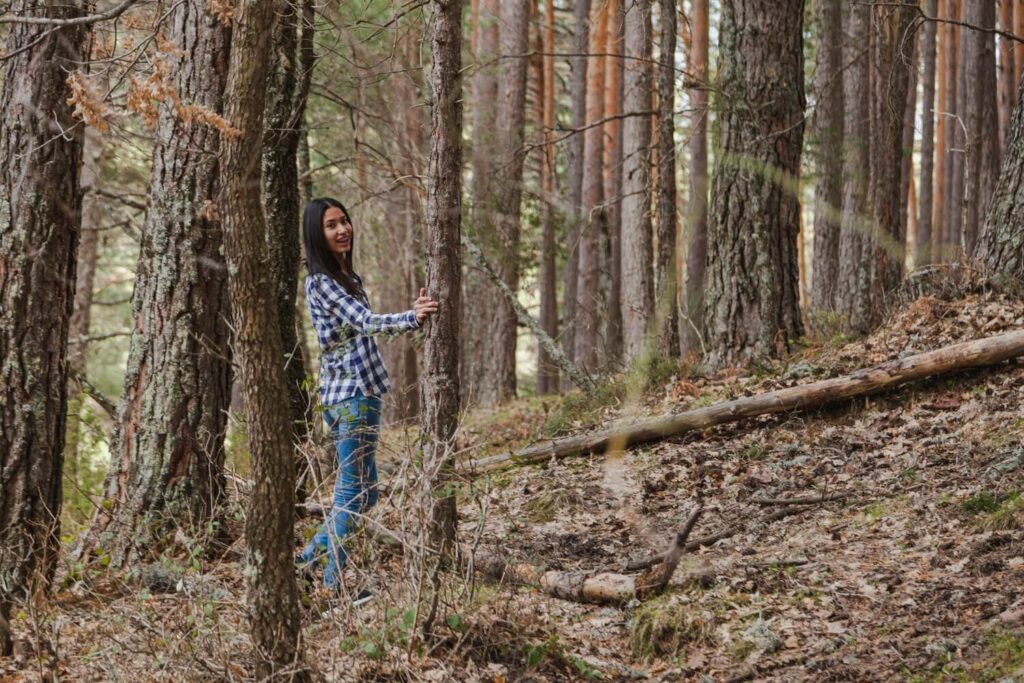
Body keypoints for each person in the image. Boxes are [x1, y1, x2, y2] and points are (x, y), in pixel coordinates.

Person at [296, 197, 438, 595]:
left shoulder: (346, 277)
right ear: (316, 234)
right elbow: (364, 322)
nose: (342, 230)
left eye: (344, 221)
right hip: (350, 396)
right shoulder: (321, 281)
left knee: (366, 490)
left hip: (362, 393)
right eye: (331, 225)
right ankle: (332, 585)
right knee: (350, 491)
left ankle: (307, 560)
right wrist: (413, 317)